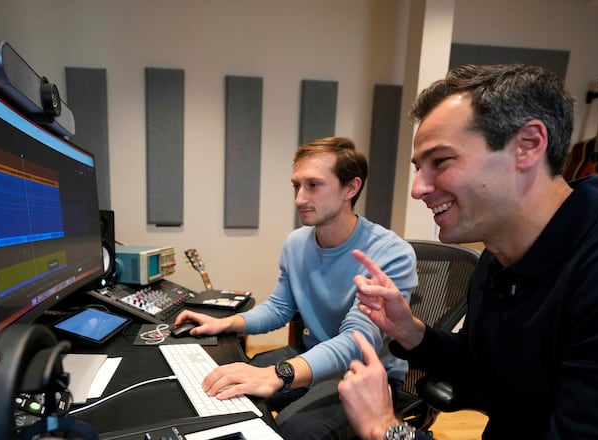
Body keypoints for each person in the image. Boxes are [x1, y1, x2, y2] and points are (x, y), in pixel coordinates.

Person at [338, 63, 598, 439]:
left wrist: (387, 430)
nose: (418, 188)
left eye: (441, 161)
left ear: (527, 146)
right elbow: (484, 364)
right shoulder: (496, 256)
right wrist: (412, 332)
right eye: (420, 168)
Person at [173, 136, 418, 439]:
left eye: (314, 185)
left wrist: (280, 374)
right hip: (311, 353)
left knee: (293, 429)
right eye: (296, 186)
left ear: (351, 188)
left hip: (365, 375)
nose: (300, 198)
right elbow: (279, 308)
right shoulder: (297, 242)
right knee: (224, 382)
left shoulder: (390, 253)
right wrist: (226, 322)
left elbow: (357, 340)